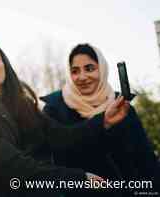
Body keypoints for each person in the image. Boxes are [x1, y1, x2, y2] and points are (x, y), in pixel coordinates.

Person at [0, 41, 130, 197]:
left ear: (5, 66)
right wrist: (79, 179)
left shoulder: (24, 105)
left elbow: (62, 136)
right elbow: (14, 166)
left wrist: (103, 120)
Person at [40, 43, 160, 196]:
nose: (82, 77)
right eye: (75, 71)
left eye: (90, 68)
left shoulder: (121, 105)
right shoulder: (54, 109)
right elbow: (50, 162)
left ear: (102, 69)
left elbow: (145, 159)